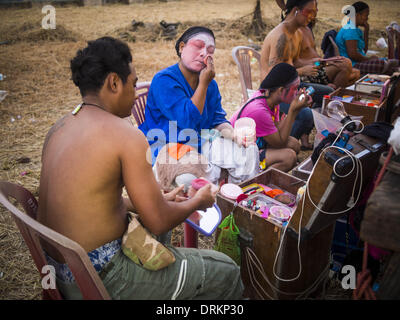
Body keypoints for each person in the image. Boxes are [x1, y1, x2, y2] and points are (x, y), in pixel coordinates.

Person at [37, 37, 243, 300]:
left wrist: (153, 200)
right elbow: (159, 221)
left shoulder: (60, 127)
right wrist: (198, 201)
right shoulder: (126, 136)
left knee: (155, 212)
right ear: (113, 82)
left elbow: (86, 200)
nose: (135, 95)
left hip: (60, 273)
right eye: (133, 85)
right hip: (101, 280)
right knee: (226, 270)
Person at [139, 26, 259, 183]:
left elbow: (218, 120)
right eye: (198, 46)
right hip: (168, 149)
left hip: (200, 143)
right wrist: (203, 83)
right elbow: (187, 121)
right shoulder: (164, 81)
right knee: (187, 179)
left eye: (210, 50)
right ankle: (205, 200)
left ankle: (237, 198)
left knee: (248, 151)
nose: (204, 53)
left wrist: (234, 134)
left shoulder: (211, 85)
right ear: (182, 48)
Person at [261, 0, 333, 150]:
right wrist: (302, 71)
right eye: (310, 12)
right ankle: (281, 146)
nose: (313, 17)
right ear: (295, 10)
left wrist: (314, 61)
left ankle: (307, 137)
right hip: (274, 93)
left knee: (328, 93)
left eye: (315, 12)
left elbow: (294, 60)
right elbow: (274, 76)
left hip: (292, 86)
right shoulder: (280, 36)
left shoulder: (296, 33)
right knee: (305, 114)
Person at [230, 63, 311, 172]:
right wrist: (293, 110)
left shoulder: (271, 98)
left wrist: (292, 111)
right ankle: (256, 178)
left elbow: (276, 130)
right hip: (238, 153)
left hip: (254, 144)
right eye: (295, 89)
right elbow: (279, 142)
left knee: (295, 144)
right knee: (289, 157)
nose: (297, 93)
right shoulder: (259, 110)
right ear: (281, 90)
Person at [299, 7, 361, 88]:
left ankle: (331, 88)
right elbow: (296, 63)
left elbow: (315, 59)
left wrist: (327, 62)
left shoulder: (307, 29)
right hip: (308, 72)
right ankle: (331, 93)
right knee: (346, 64)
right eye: (313, 7)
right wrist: (318, 63)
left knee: (356, 72)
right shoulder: (296, 32)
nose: (317, 10)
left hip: (317, 66)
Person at [335, 1, 399, 75]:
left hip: (357, 62)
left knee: (389, 63)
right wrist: (369, 59)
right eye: (366, 15)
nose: (367, 18)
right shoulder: (350, 30)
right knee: (385, 64)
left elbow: (364, 50)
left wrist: (366, 31)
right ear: (358, 15)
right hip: (352, 65)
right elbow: (353, 55)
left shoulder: (355, 30)